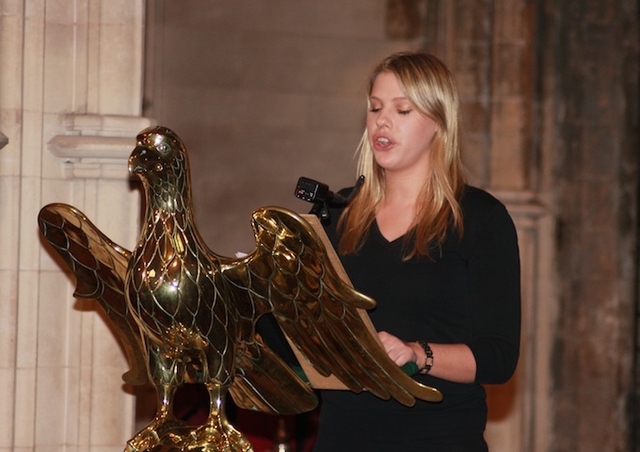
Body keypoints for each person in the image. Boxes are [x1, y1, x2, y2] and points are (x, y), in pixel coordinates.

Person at [312, 52, 521, 451]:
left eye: (402, 110)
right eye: (375, 108)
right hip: (342, 437)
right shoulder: (337, 215)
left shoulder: (480, 219)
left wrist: (416, 353)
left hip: (438, 438)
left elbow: (498, 356)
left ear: (439, 123)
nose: (381, 121)